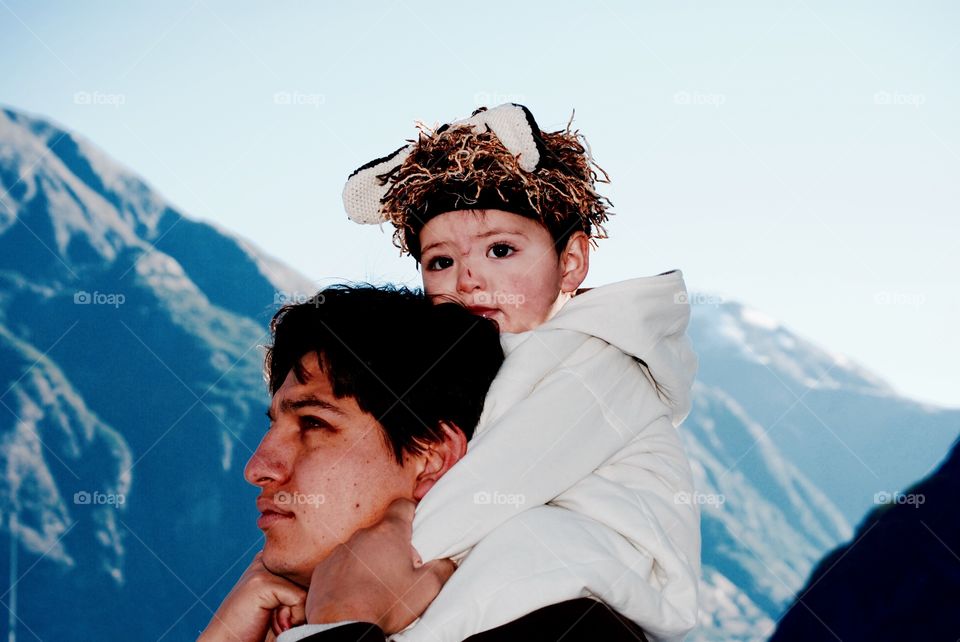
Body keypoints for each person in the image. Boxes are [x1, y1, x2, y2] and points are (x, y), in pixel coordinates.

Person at [338, 103, 701, 642]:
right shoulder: (493, 365)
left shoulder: (598, 359)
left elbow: (497, 478)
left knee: (526, 543)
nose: (467, 279)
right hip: (553, 574)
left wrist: (378, 569)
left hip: (619, 574)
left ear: (571, 263)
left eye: (501, 250)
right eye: (439, 262)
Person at [199, 285, 648, 642]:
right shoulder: (272, 622)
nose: (258, 467)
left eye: (314, 424)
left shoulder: (571, 628)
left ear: (430, 458)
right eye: (274, 424)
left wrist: (341, 623)